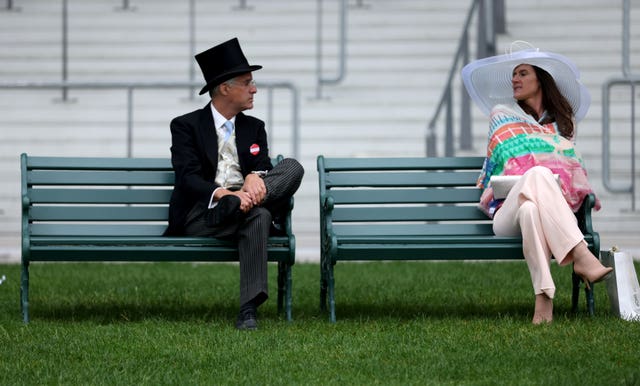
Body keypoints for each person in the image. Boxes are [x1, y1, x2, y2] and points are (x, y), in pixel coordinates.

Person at [461, 44, 612, 324]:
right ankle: (581, 255)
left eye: (522, 73)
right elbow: (504, 162)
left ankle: (543, 301)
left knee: (532, 207)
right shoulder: (501, 115)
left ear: (540, 79)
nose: (514, 80)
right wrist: (539, 168)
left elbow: (570, 171)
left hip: (546, 211)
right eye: (513, 75)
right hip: (507, 213)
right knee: (538, 175)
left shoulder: (564, 125)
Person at [164, 38, 304, 330]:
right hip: (202, 214)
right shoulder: (185, 125)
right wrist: (225, 194)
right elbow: (187, 178)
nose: (254, 89)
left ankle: (238, 208)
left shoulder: (254, 127)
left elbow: (262, 163)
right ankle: (248, 310)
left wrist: (257, 176)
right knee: (261, 215)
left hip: (243, 209)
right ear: (225, 88)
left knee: (292, 167)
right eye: (247, 82)